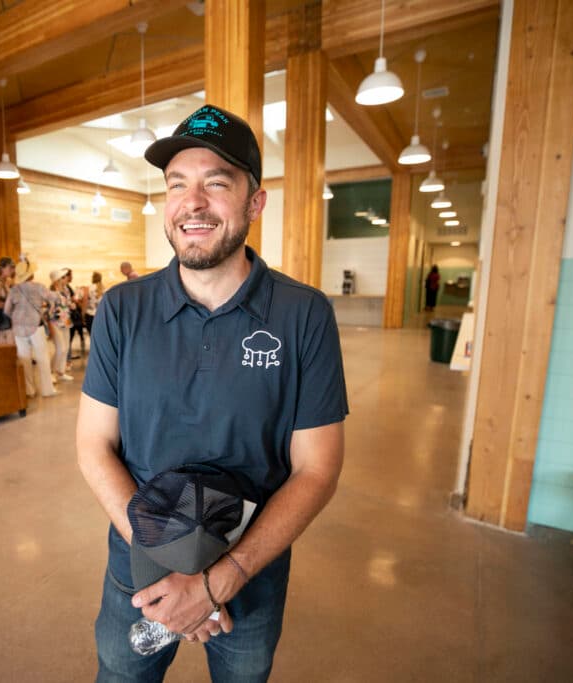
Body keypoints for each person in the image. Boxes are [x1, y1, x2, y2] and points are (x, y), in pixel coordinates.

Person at [77, 104, 348, 682]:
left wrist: (216, 580)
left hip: (250, 566)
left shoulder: (304, 315)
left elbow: (317, 469)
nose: (191, 203)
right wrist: (167, 561)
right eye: (177, 184)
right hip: (139, 554)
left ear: (255, 202)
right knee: (122, 674)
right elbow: (93, 445)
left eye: (215, 183)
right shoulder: (123, 309)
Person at [4, 258, 61, 398]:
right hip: (35, 326)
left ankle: (29, 390)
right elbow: (53, 298)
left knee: (24, 359)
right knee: (42, 357)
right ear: (31, 275)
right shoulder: (38, 287)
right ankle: (47, 390)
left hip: (18, 328)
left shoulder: (14, 290)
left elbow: (6, 310)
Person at [48, 268, 74, 382]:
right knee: (60, 348)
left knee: (66, 348)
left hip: (66, 321)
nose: (66, 279)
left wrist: (71, 305)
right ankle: (52, 372)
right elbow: (49, 309)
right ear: (57, 279)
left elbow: (67, 303)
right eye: (63, 277)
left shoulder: (66, 290)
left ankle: (61, 372)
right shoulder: (52, 292)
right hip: (56, 322)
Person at [83, 271, 104, 338]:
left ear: (93, 278)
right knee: (99, 336)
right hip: (101, 315)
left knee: (92, 336)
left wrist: (82, 314)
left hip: (90, 314)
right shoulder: (104, 289)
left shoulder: (88, 288)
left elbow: (85, 302)